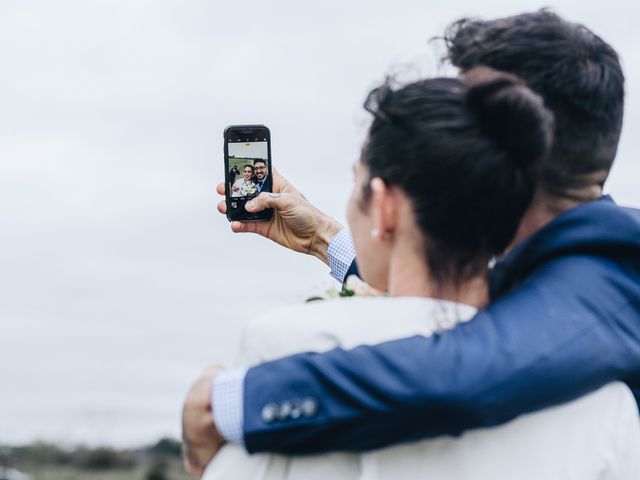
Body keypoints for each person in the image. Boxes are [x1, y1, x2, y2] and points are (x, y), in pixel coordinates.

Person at [182, 8, 639, 468]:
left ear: (526, 134)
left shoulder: (604, 286)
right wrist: (321, 237)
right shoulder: (584, 263)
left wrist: (229, 401)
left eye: (475, 112)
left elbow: (461, 375)